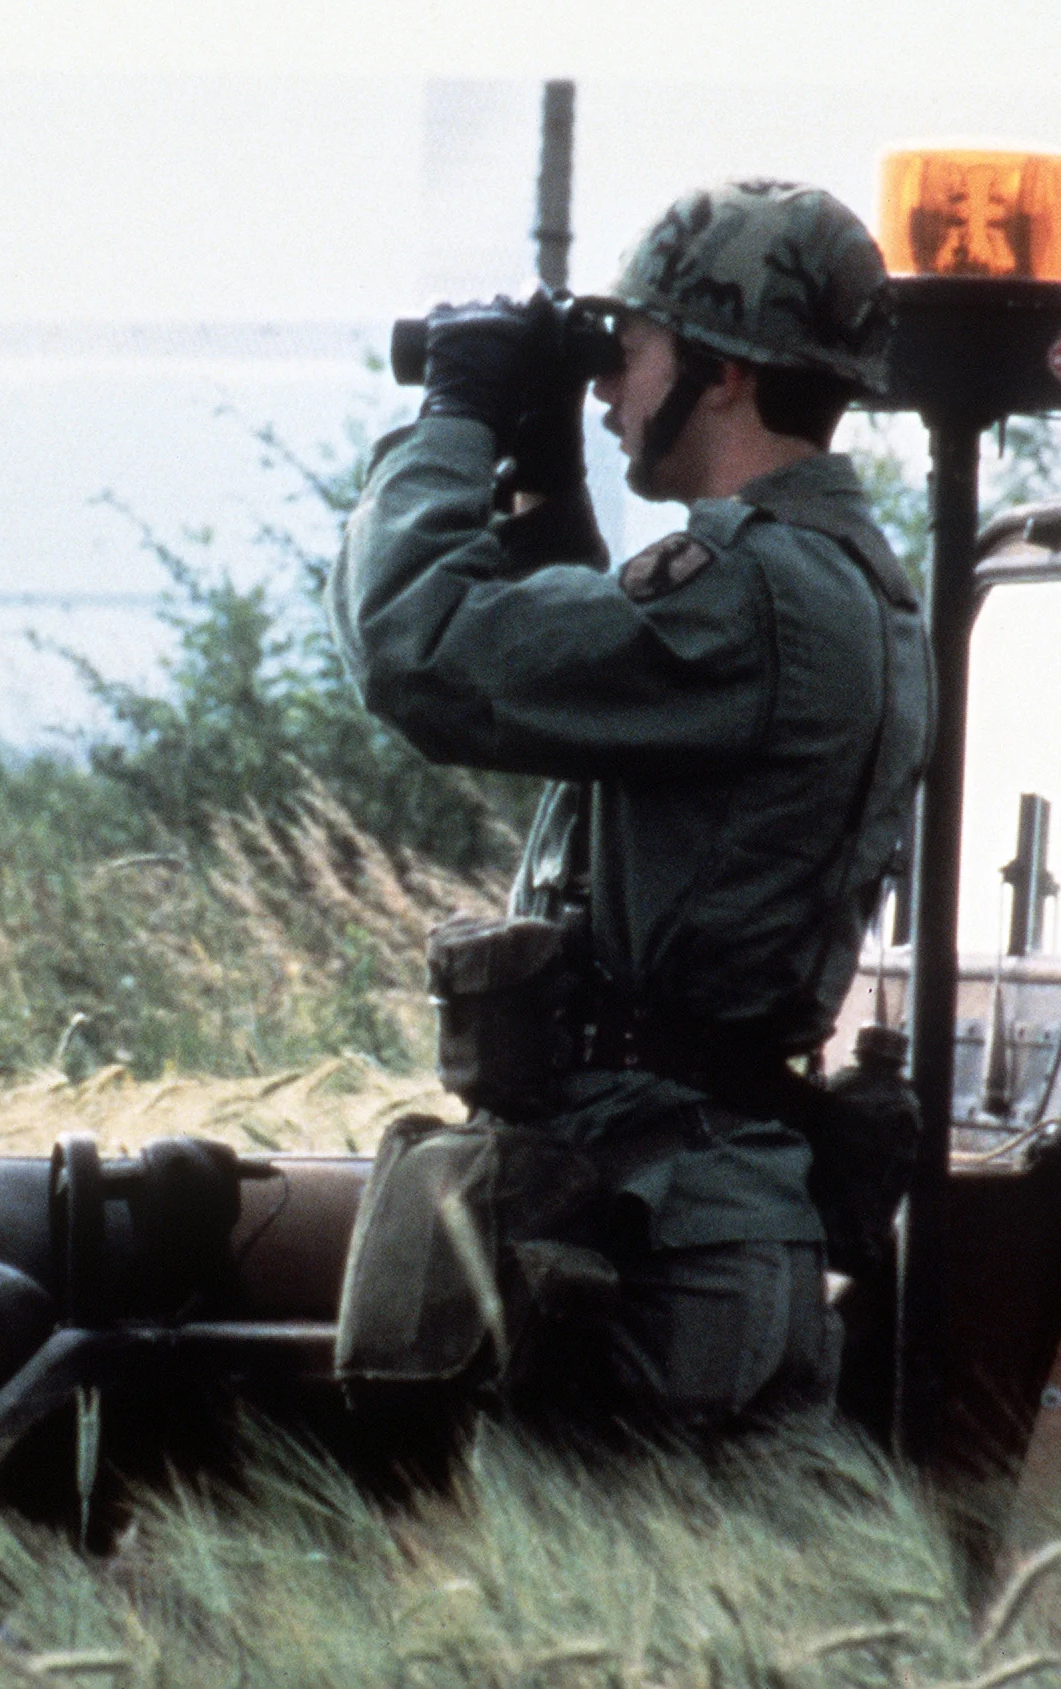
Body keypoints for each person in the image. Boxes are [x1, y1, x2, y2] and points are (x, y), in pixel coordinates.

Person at [328, 180, 932, 1430]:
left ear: (719, 371)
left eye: (627, 350)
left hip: (654, 1240)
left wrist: (451, 419)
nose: (608, 388)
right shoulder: (833, 582)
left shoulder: (754, 592)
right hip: (708, 1209)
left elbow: (419, 652)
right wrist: (543, 455)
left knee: (574, 1609)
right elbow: (600, 691)